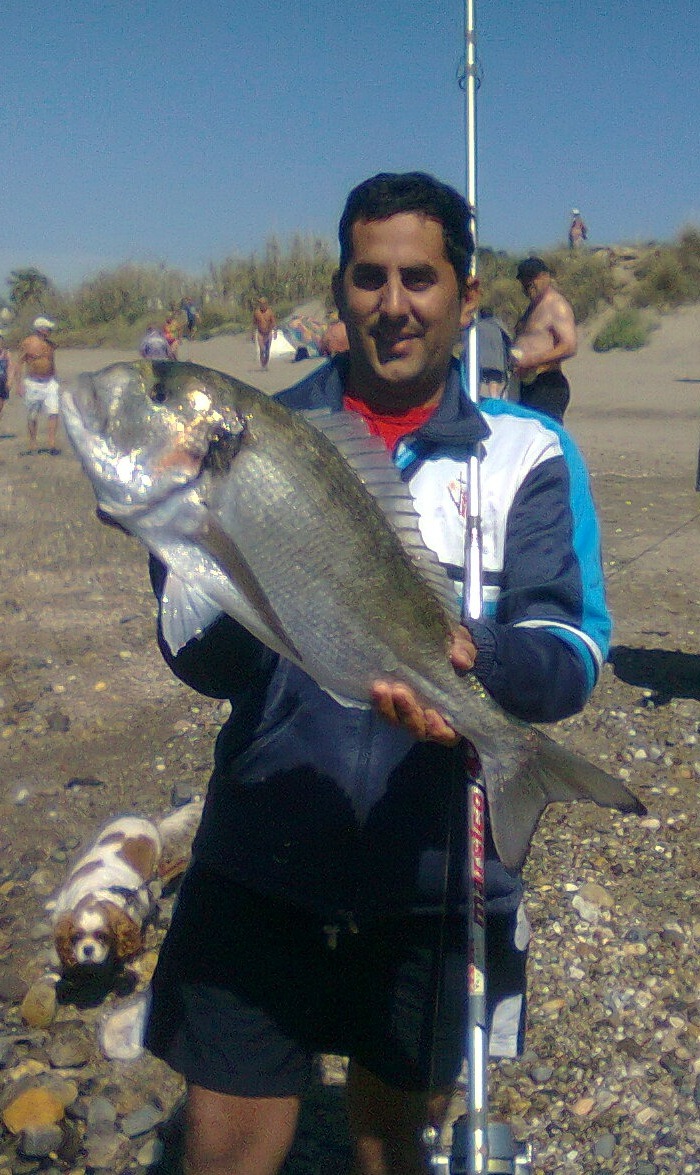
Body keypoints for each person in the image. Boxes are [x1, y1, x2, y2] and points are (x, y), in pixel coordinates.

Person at [144, 172, 611, 1175]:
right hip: (260, 847)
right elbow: (208, 665)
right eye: (368, 276)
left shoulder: (529, 453)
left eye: (419, 277)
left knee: (389, 1140)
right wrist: (182, 542)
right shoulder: (248, 437)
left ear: (466, 296)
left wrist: (471, 659)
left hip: (435, 867)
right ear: (338, 289)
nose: (392, 302)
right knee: (221, 1149)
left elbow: (569, 651)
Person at [509, 257, 577, 422]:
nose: (529, 283)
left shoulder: (556, 305)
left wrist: (533, 360)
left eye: (533, 277)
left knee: (545, 437)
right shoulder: (531, 308)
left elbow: (569, 346)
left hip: (547, 383)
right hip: (524, 384)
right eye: (524, 278)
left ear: (546, 276)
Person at [15, 316, 61, 455]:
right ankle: (32, 442)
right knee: (32, 415)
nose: (50, 331)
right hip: (33, 383)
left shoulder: (50, 345)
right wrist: (19, 384)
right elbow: (19, 363)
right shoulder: (27, 343)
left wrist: (56, 379)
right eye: (48, 329)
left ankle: (52, 443)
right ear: (41, 329)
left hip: (50, 383)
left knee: (54, 412)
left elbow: (52, 363)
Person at [473, 308, 511, 397]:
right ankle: (494, 400)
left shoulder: (476, 327)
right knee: (494, 381)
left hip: (481, 361)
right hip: (497, 360)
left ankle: (475, 398)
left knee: (477, 379)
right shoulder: (499, 327)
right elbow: (509, 341)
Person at [252, 296, 277, 370]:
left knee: (267, 350)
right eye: (261, 304)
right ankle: (262, 365)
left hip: (268, 333)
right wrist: (252, 334)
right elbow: (254, 324)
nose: (262, 305)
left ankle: (265, 364)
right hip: (260, 334)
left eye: (264, 303)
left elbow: (273, 323)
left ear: (266, 304)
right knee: (262, 349)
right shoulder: (256, 312)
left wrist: (275, 332)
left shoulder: (270, 312)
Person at [0, 329, 14, 427]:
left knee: (0, 406)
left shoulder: (6, 353)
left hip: (2, 382)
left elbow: (10, 368)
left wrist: (10, 381)